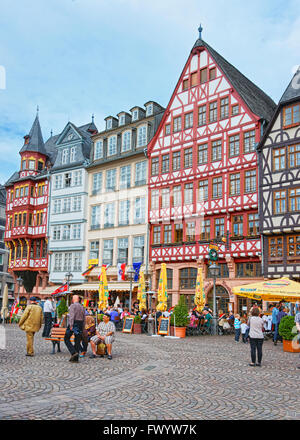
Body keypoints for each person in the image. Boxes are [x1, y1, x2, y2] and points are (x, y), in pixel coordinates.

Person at [64, 295, 86, 363]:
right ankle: (75, 358)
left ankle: (73, 352)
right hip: (80, 323)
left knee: (66, 338)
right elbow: (84, 317)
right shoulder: (82, 306)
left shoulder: (73, 306)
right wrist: (83, 326)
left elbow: (72, 316)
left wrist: (71, 325)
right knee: (77, 340)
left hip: (74, 323)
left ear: (73, 299)